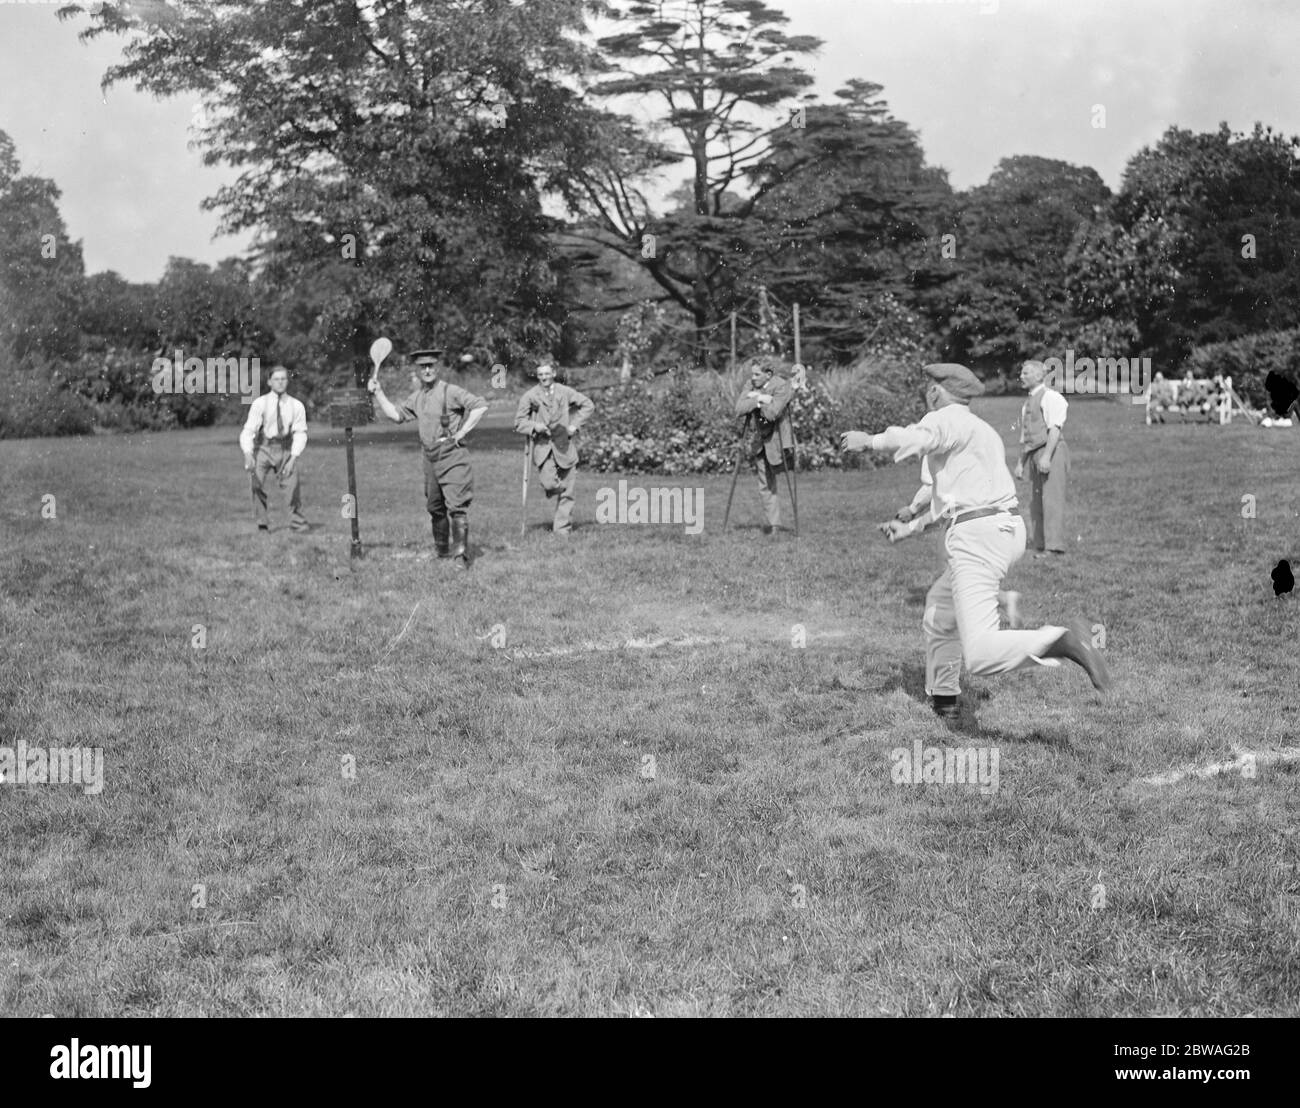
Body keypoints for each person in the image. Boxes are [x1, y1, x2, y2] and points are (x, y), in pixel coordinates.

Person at [842, 362, 1110, 723]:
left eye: (929, 387)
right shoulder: (981, 431)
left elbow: (912, 438)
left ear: (937, 391)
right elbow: (956, 498)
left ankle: (1064, 641)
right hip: (1002, 530)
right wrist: (912, 527)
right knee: (939, 612)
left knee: (981, 653)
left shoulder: (944, 419)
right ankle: (945, 699)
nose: (926, 392)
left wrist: (868, 441)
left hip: (976, 539)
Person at [368, 347, 487, 568]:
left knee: (457, 506)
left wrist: (462, 432)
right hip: (429, 457)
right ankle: (442, 552)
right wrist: (379, 393)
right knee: (435, 507)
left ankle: (460, 556)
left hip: (452, 456)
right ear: (418, 370)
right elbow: (396, 416)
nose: (427, 370)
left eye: (431, 365)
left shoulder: (450, 391)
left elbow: (480, 406)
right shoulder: (418, 396)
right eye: (423, 367)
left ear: (437, 367)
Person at [887, 456, 1022, 630]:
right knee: (962, 572)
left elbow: (934, 491)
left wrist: (912, 512)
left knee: (954, 571)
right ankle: (998, 602)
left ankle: (1000, 605)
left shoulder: (935, 445)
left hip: (969, 520)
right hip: (999, 516)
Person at [514, 363, 595, 534]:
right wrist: (535, 426)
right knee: (550, 484)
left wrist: (574, 426)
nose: (544, 377)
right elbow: (519, 422)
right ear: (537, 376)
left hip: (564, 446)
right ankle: (554, 490)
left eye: (547, 373)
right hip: (543, 448)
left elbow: (588, 405)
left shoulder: (564, 391)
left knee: (568, 492)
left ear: (554, 373)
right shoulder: (530, 396)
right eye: (540, 374)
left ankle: (561, 530)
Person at [240, 365, 309, 534]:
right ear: (269, 382)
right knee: (255, 484)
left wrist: (293, 458)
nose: (280, 383)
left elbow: (300, 433)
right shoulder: (260, 403)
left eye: (283, 379)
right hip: (263, 449)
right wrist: (248, 453)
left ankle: (297, 523)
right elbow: (249, 430)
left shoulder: (296, 405)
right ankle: (262, 523)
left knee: (292, 487)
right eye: (276, 379)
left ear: (287, 381)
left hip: (285, 449)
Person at [1015, 359, 1070, 557]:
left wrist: (1046, 457)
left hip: (1052, 452)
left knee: (1052, 500)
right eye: (1022, 373)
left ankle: (1054, 547)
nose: (1021, 376)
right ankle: (1040, 544)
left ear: (1039, 376)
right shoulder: (1027, 403)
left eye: (1026, 373)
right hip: (1035, 455)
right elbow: (1027, 437)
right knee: (1036, 501)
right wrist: (1021, 463)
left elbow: (1055, 429)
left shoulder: (1051, 397)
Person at [734, 356, 794, 534]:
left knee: (784, 480)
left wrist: (755, 400)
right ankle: (774, 525)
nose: (752, 378)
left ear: (768, 374)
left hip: (779, 441)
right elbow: (738, 408)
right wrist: (760, 400)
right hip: (760, 442)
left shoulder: (782, 386)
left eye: (757, 374)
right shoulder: (750, 385)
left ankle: (786, 525)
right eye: (752, 374)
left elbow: (772, 413)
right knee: (765, 484)